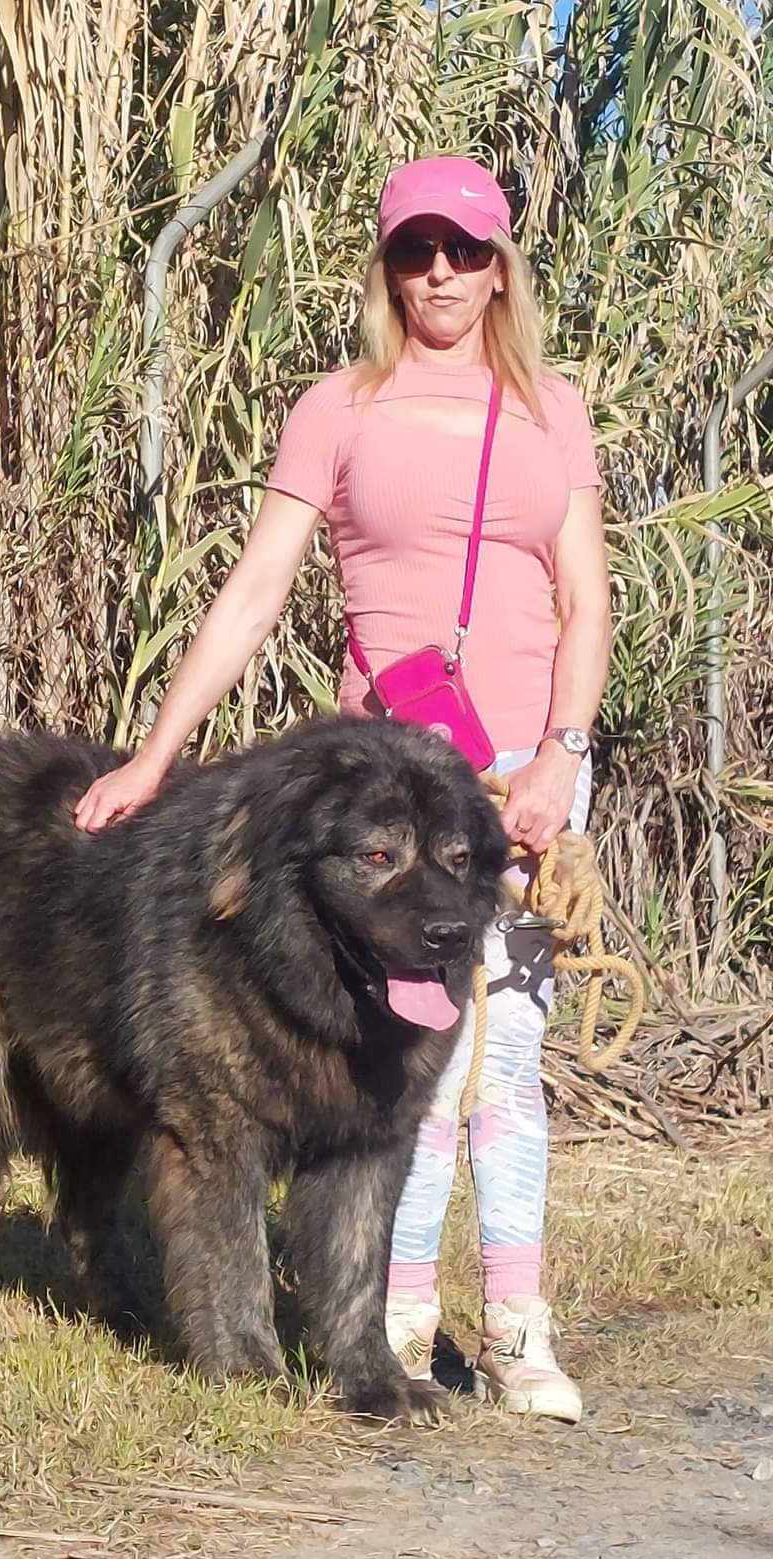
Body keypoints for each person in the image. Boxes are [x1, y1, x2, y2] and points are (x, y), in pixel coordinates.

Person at [75, 154, 612, 1423]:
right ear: (386, 264)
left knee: (510, 1055)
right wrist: (155, 752)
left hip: (528, 775)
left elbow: (587, 597)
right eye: (416, 249)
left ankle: (520, 1325)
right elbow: (256, 590)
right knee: (397, 1061)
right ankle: (394, 1321)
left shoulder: (555, 407)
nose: (441, 273)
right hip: (388, 782)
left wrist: (564, 754)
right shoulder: (338, 405)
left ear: (501, 265)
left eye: (466, 250)